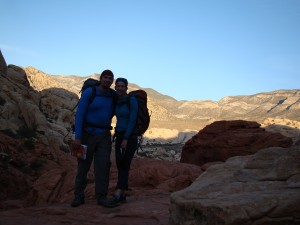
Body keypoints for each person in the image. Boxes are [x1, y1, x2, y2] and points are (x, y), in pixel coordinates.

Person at [71, 69, 119, 208]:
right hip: (86, 135)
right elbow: (79, 115)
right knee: (82, 167)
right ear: (101, 78)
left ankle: (102, 197)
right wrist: (78, 137)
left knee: (103, 166)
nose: (108, 80)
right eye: (105, 77)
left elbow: (122, 102)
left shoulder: (112, 95)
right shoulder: (89, 93)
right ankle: (78, 196)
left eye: (110, 78)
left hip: (104, 136)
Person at [113, 77, 138, 203]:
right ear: (115, 87)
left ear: (126, 88)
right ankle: (122, 191)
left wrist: (126, 138)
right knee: (119, 162)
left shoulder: (131, 100)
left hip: (130, 137)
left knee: (124, 164)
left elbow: (132, 120)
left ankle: (119, 191)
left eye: (122, 86)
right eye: (118, 86)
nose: (120, 88)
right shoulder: (117, 101)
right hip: (119, 135)